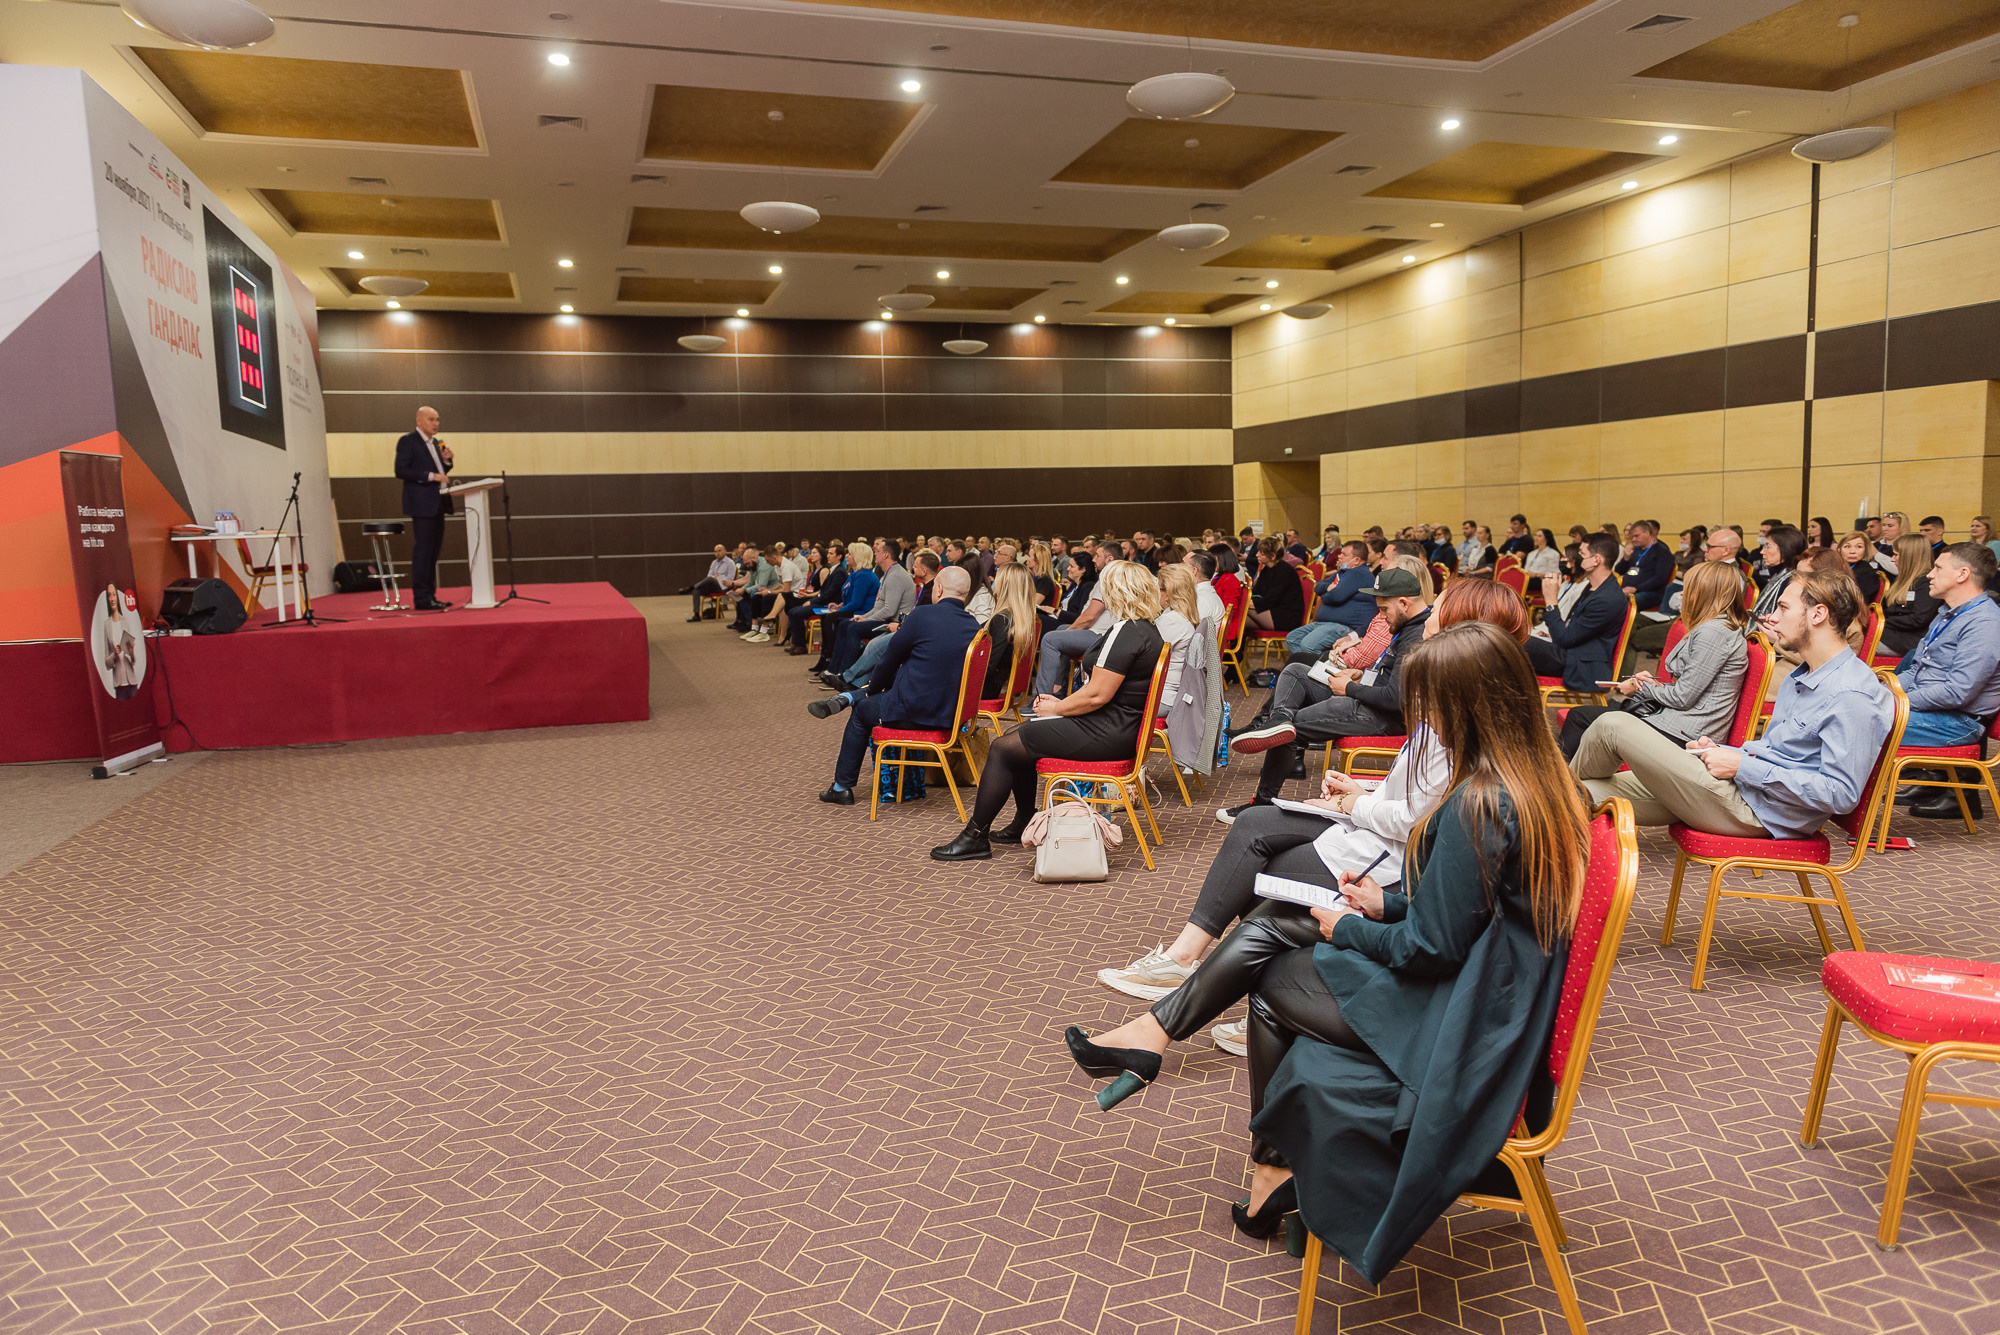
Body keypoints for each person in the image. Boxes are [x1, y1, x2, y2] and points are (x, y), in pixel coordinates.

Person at [1062, 620, 1587, 1281]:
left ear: (1467, 706)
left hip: (1460, 1021)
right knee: (1276, 939)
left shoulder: (1476, 803)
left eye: (1430, 705)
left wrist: (1349, 928)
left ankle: (1248, 1144)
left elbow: (1429, 949)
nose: (1421, 720)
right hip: (1497, 996)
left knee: (1272, 975)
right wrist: (1382, 904)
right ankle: (1236, 1136)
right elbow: (1470, 918)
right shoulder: (1537, 780)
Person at [1096, 577, 1533, 1053]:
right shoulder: (1454, 705)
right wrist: (1357, 791)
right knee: (1258, 825)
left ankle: (1232, 997)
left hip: (1395, 860)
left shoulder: (1461, 732)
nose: (1431, 614)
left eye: (1440, 607)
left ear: (1463, 627)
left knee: (1271, 863)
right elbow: (1416, 797)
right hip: (1387, 845)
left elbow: (1425, 844)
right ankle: (1205, 991)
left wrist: (1353, 809)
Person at [1572, 567, 1891, 838]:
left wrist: (1742, 765)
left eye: (1783, 608)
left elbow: (1841, 794)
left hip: (1758, 813)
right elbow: (1778, 754)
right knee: (1576, 795)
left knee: (1611, 725)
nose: (1772, 617)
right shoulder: (1804, 675)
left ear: (1818, 614)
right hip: (1741, 789)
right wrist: (1728, 753)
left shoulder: (1850, 693)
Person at [932, 562, 1168, 861]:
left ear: (1117, 590)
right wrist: (1059, 709)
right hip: (1116, 727)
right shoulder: (1141, 628)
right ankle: (1021, 821)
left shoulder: (1128, 631)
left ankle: (975, 836)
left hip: (1109, 731)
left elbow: (1097, 695)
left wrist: (1057, 707)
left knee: (1003, 748)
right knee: (1017, 734)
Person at [1224, 566, 1433, 821]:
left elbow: (1396, 699)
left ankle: (1262, 802)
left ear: (1403, 602)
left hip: (1380, 717)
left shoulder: (1416, 636)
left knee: (1292, 728)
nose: (1381, 616)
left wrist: (1350, 688)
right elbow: (1391, 680)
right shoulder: (1411, 625)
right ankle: (1278, 718)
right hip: (1368, 698)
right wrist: (1360, 677)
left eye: (1384, 609)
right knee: (1296, 671)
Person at [813, 566, 980, 805]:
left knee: (862, 712)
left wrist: (872, 690)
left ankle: (841, 787)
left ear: (939, 589)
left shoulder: (922, 616)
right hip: (953, 715)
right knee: (890, 687)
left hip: (915, 712)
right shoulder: (974, 627)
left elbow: (888, 660)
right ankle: (851, 697)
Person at [1559, 560, 1750, 759]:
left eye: (1690, 588)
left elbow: (1682, 697)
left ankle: (1559, 783)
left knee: (1580, 717)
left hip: (1685, 733)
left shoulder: (1714, 632)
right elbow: (1691, 687)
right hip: (1678, 722)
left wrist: (1640, 687)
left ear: (1707, 594)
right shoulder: (1714, 627)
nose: (1683, 594)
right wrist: (1649, 683)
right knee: (1589, 716)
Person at [1894, 544, 2000, 819]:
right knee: (1854, 709)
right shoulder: (1948, 614)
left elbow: (1957, 692)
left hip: (1957, 722)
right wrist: (1880, 691)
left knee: (1856, 720)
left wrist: (1895, 701)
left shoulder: (1984, 624)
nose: (1930, 574)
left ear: (1962, 574)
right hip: (1935, 714)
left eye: (1938, 568)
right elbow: (1916, 670)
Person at [1525, 533, 1626, 690]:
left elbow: (1564, 639)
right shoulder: (1594, 587)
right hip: (1572, 650)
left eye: (1582, 554)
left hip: (1581, 663)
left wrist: (1551, 601)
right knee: (1512, 640)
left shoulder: (1607, 598)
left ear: (1596, 560)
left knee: (1518, 644)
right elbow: (1571, 628)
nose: (1578, 559)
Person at [1033, 540, 1124, 698]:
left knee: (1050, 639)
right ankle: (1056, 689)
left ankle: (1041, 698)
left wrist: (1069, 630)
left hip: (1101, 635)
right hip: (1102, 632)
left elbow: (1089, 617)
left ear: (1109, 560)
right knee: (1060, 632)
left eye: (1097, 555)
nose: (1093, 559)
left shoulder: (1109, 578)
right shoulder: (1113, 576)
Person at [817, 540, 917, 679]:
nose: (874, 553)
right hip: (887, 619)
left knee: (852, 628)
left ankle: (845, 675)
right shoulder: (888, 574)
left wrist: (867, 619)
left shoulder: (896, 576)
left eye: (878, 551)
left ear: (886, 555)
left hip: (895, 623)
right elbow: (879, 606)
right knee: (845, 624)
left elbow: (889, 610)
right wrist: (864, 617)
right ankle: (834, 669)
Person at [392, 405, 455, 610]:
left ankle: (430, 595)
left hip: (438, 503)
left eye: (437, 419)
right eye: (431, 419)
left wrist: (446, 462)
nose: (436, 423)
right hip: (421, 504)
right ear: (419, 421)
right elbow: (401, 470)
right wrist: (431, 476)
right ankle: (421, 597)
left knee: (433, 550)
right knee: (424, 550)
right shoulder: (408, 441)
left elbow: (439, 469)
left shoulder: (436, 443)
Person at [1286, 541, 1376, 659]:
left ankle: (1319, 673)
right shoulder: (1343, 573)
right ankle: (1308, 666)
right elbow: (1318, 587)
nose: (1339, 556)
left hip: (1345, 627)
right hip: (1327, 623)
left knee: (1308, 645)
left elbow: (1336, 597)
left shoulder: (1359, 573)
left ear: (1357, 560)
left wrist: (1325, 595)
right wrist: (1328, 588)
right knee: (1293, 638)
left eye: (1344, 554)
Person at [788, 541, 876, 656]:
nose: (847, 555)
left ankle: (828, 655)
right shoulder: (853, 573)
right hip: (841, 605)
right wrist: (840, 605)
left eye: (850, 553)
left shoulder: (857, 574)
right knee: (796, 610)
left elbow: (855, 602)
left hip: (859, 612)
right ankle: (825, 655)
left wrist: (838, 608)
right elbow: (845, 597)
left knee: (828, 617)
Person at [1878, 534, 1942, 657]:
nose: (1892, 559)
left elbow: (1919, 619)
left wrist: (1881, 622)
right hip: (1891, 634)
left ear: (1909, 557)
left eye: (1896, 555)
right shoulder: (1904, 580)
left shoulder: (1927, 583)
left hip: (1908, 642)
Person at [1615, 521, 1673, 611]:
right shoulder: (1635, 550)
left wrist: (1636, 588)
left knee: (1620, 604)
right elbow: (1619, 571)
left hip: (1649, 592)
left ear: (1647, 533)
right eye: (1632, 537)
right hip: (1626, 589)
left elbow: (1660, 578)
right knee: (1605, 598)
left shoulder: (1662, 552)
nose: (1633, 539)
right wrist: (1626, 558)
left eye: (1636, 536)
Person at [686, 544, 738, 623]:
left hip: (724, 587)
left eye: (719, 551)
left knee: (710, 579)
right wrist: (714, 578)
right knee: (697, 590)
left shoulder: (730, 563)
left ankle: (691, 587)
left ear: (725, 551)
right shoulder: (714, 562)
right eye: (715, 551)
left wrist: (718, 578)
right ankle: (696, 615)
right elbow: (709, 575)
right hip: (712, 584)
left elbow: (730, 579)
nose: (717, 553)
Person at [1839, 531, 1884, 604]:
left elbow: (1859, 602)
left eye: (1859, 547)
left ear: (1865, 550)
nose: (1852, 551)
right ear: (1839, 549)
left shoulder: (1866, 573)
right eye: (1847, 546)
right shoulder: (1838, 567)